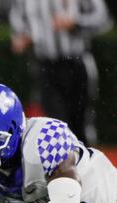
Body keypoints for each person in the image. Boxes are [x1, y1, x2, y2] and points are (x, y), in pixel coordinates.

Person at [9, 0, 112, 146]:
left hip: (76, 63)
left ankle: (85, 162)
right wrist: (24, 37)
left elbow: (103, 19)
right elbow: (18, 23)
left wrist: (76, 23)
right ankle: (62, 162)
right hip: (46, 66)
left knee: (80, 122)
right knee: (56, 123)